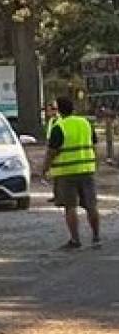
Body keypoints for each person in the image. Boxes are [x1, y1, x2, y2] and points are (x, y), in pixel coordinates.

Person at [45, 96, 100, 250]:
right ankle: (96, 236)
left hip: (66, 173)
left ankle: (75, 240)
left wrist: (45, 169)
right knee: (91, 205)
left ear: (60, 111)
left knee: (70, 207)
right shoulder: (85, 123)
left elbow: (52, 152)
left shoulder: (59, 126)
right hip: (87, 170)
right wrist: (95, 163)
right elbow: (94, 144)